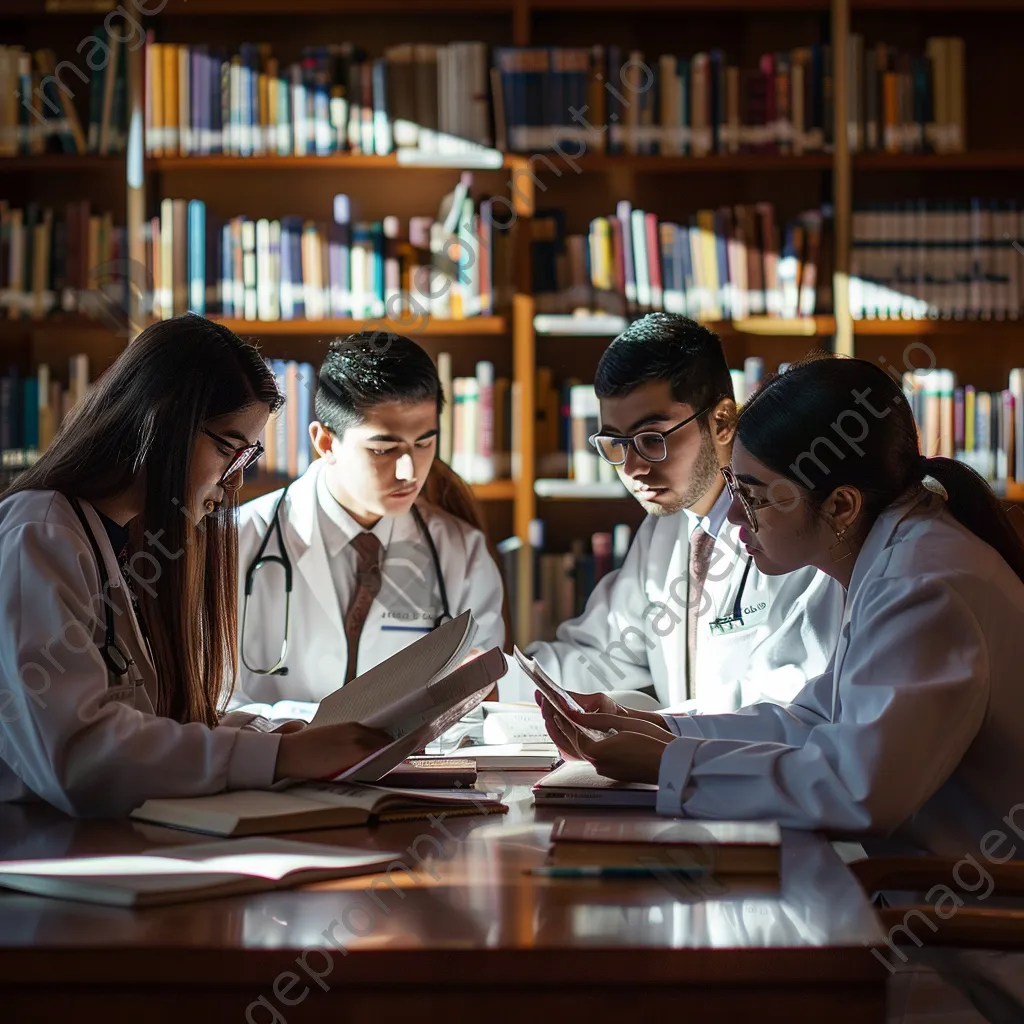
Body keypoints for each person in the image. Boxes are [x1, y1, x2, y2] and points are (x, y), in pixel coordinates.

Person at [541, 355, 1024, 861]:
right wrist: (659, 731)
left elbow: (857, 789)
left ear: (841, 506)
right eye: (733, 490)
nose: (734, 520)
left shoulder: (922, 584)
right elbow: (811, 720)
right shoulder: (895, 553)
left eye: (753, 499)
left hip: (971, 924)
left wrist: (669, 765)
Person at [0, 314, 390, 818]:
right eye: (229, 449)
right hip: (42, 855)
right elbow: (79, 756)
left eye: (246, 459)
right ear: (162, 421)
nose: (233, 484)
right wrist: (278, 757)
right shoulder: (41, 533)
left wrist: (268, 735)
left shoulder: (126, 543)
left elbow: (154, 724)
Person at [526, 313, 844, 713]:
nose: (632, 468)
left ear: (723, 421)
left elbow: (793, 688)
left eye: (652, 439)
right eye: (615, 443)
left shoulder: (793, 521)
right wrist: (499, 682)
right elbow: (605, 657)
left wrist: (662, 729)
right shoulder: (664, 529)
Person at [230, 332, 506, 715]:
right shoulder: (239, 540)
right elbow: (214, 703)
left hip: (413, 774)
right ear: (325, 443)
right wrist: (319, 731)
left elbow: (478, 708)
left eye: (424, 443)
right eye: (383, 450)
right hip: (272, 771)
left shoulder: (462, 554)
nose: (409, 471)